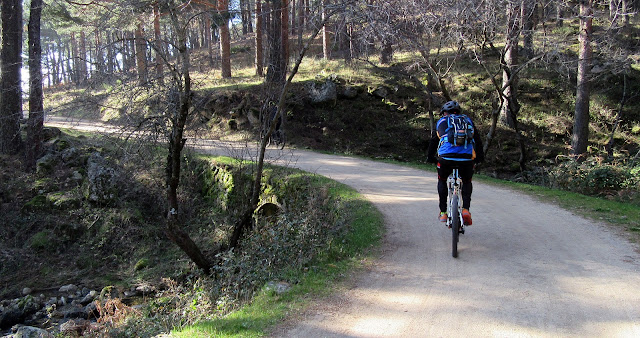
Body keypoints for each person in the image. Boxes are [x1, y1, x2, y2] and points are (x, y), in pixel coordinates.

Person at [427, 100, 484, 225]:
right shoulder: (467, 121)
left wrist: (430, 157)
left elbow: (434, 141)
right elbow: (477, 141)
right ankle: (465, 210)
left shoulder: (441, 122)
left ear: (444, 113)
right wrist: (479, 158)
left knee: (442, 180)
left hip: (445, 158)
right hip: (466, 158)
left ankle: (443, 213)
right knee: (467, 181)